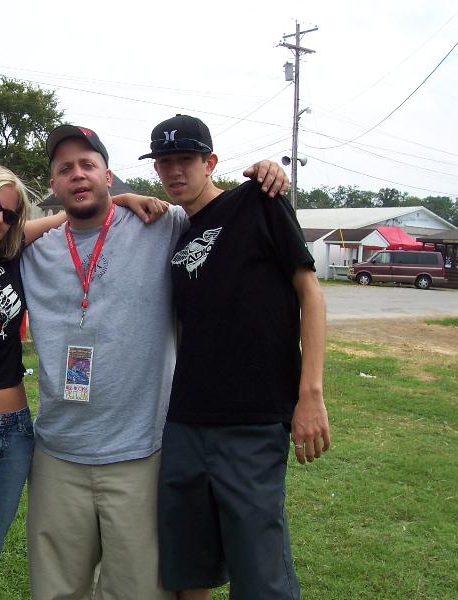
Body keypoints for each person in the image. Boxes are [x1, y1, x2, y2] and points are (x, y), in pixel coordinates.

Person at [0, 125, 289, 600]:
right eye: (65, 168)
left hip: (138, 455)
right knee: (55, 590)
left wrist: (266, 175)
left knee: (136, 592)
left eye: (88, 164)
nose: (78, 175)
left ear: (109, 175)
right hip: (56, 457)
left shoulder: (161, 225)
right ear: (53, 185)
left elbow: (213, 209)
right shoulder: (29, 251)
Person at [0, 162, 169, 600]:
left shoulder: (7, 253)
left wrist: (121, 198)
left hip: (16, 435)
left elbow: (72, 213)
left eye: (9, 214)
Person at [140, 114, 330, 599]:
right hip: (184, 421)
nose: (174, 170)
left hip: (252, 420)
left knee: (259, 572)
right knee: (188, 565)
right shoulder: (177, 231)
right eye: (164, 162)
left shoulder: (258, 201)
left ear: (210, 162)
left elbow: (310, 294)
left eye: (186, 159)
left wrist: (310, 394)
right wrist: (123, 197)